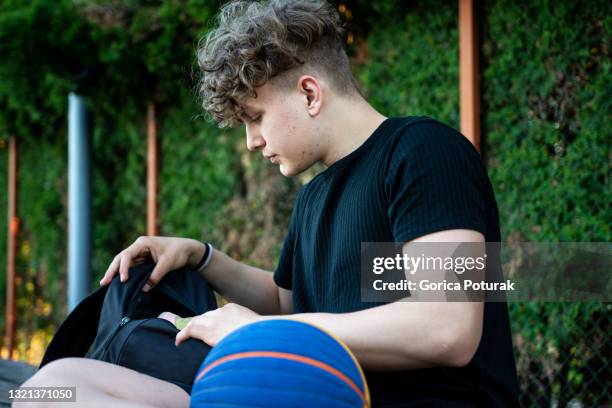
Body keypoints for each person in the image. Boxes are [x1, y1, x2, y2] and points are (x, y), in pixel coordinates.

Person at [18, 0, 519, 407]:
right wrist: (202, 257)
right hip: (290, 389)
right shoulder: (315, 198)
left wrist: (262, 334)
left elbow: (446, 327)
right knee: (53, 389)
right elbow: (288, 301)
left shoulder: (422, 152)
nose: (252, 141)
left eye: (254, 117)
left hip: (399, 398)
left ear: (308, 92)